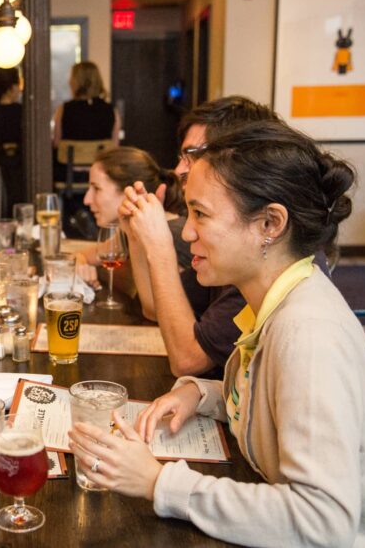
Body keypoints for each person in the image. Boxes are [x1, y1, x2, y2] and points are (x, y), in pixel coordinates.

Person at [69, 121, 365, 548]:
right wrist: (201, 394)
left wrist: (158, 482)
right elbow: (272, 407)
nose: (187, 232)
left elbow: (323, 522)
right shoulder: (274, 300)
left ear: (270, 223)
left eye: (201, 214)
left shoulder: (308, 335)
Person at [123, 96, 288, 378]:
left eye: (193, 155)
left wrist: (160, 246)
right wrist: (135, 234)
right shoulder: (232, 252)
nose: (178, 170)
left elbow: (187, 360)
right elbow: (153, 308)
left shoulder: (258, 260)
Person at [73, 147, 188, 295]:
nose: (87, 200)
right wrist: (83, 265)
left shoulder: (174, 236)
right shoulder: (131, 230)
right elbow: (81, 255)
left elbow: (155, 311)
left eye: (97, 189)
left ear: (130, 192)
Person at [52, 61, 121, 147]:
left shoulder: (64, 109)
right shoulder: (111, 110)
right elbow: (115, 145)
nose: (69, 81)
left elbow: (56, 143)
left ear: (75, 82)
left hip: (70, 160)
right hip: (101, 159)